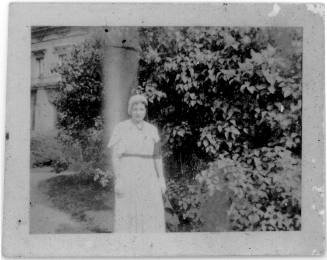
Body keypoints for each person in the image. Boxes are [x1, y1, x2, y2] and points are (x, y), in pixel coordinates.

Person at [107, 94, 167, 233]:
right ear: (129, 110)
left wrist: (161, 178)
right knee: (129, 206)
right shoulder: (121, 128)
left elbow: (157, 156)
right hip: (128, 172)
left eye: (141, 109)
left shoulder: (152, 129)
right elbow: (115, 156)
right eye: (135, 109)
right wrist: (119, 179)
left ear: (145, 111)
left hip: (148, 173)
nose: (138, 112)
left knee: (150, 206)